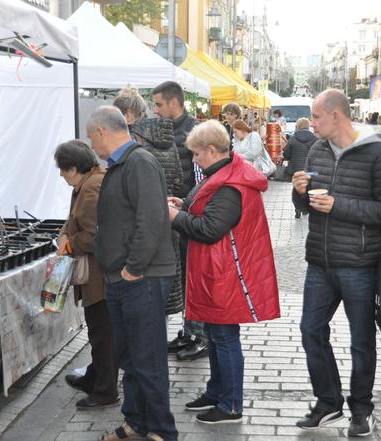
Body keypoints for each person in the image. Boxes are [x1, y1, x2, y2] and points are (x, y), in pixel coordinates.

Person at [292, 89, 381, 436]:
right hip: (319, 262)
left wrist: (339, 206)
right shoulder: (317, 149)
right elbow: (308, 205)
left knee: (360, 340)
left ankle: (361, 410)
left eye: (317, 116)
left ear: (336, 115)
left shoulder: (376, 153)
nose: (313, 122)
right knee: (310, 331)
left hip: (359, 263)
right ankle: (328, 402)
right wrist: (299, 192)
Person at [168, 120, 280, 424]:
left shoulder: (230, 184)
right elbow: (205, 209)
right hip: (218, 269)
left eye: (196, 154)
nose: (193, 159)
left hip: (227, 272)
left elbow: (210, 228)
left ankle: (230, 404)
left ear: (213, 150)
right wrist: (184, 205)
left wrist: (176, 217)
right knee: (217, 336)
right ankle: (216, 392)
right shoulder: (220, 173)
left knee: (225, 337)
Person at [87, 106, 177, 441]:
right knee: (129, 356)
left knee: (147, 357)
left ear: (100, 132)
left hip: (142, 278)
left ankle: (162, 430)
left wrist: (133, 268)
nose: (91, 143)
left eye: (90, 135)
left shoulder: (139, 162)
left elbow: (151, 220)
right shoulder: (121, 164)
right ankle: (136, 422)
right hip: (122, 277)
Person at [55, 140, 119, 410]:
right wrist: (65, 235)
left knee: (102, 333)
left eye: (62, 169)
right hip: (99, 274)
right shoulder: (90, 182)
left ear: (73, 168)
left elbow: (96, 234)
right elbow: (76, 222)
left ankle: (105, 391)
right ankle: (96, 377)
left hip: (100, 275)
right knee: (99, 331)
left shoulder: (92, 186)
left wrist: (70, 243)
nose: (60, 175)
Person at [113, 86, 184, 317]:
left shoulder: (135, 143)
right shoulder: (169, 140)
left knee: (144, 300)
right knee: (160, 299)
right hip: (169, 221)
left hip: (142, 226)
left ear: (128, 116)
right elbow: (179, 178)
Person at [152, 81, 208, 361]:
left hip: (191, 216)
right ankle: (189, 330)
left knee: (194, 276)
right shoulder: (163, 129)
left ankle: (201, 335)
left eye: (159, 104)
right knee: (184, 276)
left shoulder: (195, 131)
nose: (156, 110)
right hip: (175, 213)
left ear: (174, 103)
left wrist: (190, 206)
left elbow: (202, 179)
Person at [283, 118, 317, 219]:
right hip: (310, 169)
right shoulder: (315, 138)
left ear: (298, 126)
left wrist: (291, 157)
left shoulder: (293, 138)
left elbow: (286, 153)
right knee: (309, 187)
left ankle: (298, 210)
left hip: (296, 169)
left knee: (297, 188)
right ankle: (306, 209)